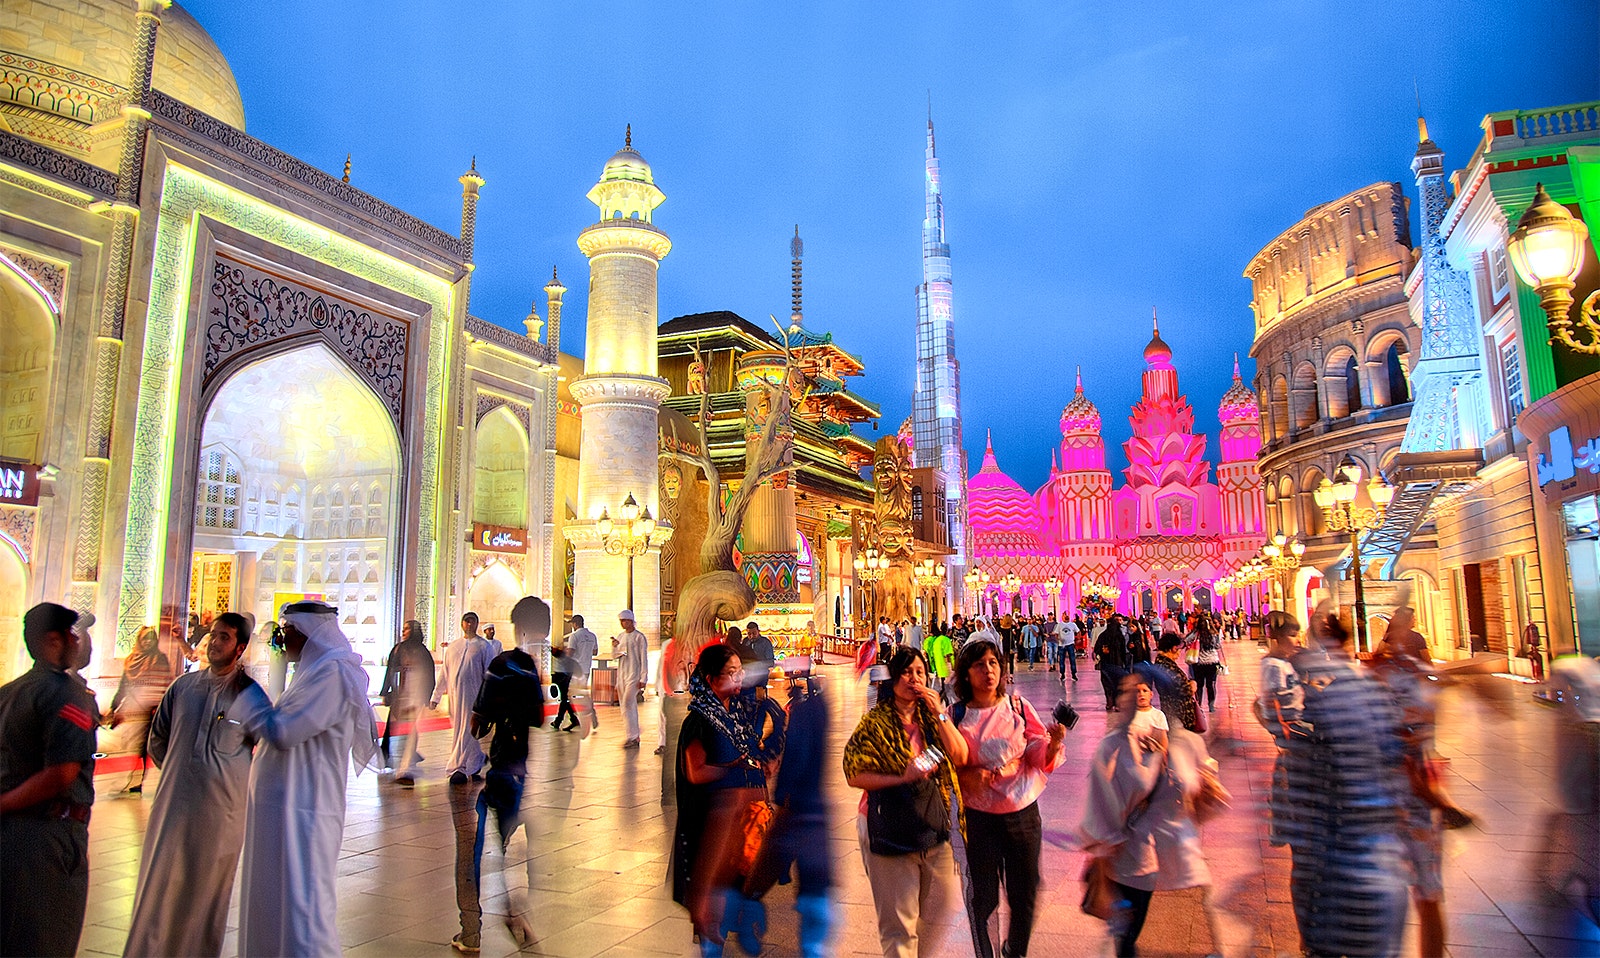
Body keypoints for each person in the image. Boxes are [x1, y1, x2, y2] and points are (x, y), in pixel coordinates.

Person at [231, 600, 379, 957]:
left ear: (310, 634)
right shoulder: (312, 672)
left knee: (303, 909)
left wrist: (247, 697)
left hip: (306, 807)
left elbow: (285, 732)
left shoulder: (333, 674)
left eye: (290, 631)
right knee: (273, 900)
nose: (284, 640)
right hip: (283, 806)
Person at [124, 612, 269, 958]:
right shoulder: (183, 687)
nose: (214, 643)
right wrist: (183, 774)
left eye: (224, 637)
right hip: (174, 806)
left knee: (204, 894)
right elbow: (158, 739)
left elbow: (268, 749)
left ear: (240, 647)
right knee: (160, 887)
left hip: (222, 814)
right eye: (213, 635)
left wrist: (223, 778)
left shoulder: (250, 696)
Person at [1286, 610, 1408, 958]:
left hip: (1340, 873)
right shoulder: (1374, 692)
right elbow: (1395, 761)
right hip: (1382, 869)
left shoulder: (1325, 698)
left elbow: (1307, 773)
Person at [1079, 673, 1228, 958]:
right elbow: (1101, 805)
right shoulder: (1112, 746)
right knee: (1134, 938)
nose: (1136, 697)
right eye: (1128, 691)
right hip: (1134, 862)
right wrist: (1103, 849)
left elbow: (1207, 802)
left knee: (1179, 938)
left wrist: (1206, 789)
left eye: (1143, 691)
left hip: (1181, 861)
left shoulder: (1186, 743)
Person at [844, 647, 969, 958]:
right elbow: (853, 773)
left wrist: (939, 710)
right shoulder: (875, 722)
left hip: (930, 823)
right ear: (894, 678)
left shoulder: (932, 719)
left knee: (942, 905)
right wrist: (903, 775)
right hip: (890, 826)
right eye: (906, 672)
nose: (914, 678)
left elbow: (960, 755)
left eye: (919, 672)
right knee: (899, 924)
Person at [950, 641, 1066, 958]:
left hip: (1022, 813)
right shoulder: (957, 715)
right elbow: (944, 764)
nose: (987, 670)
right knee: (984, 896)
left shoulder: (1017, 707)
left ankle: (1015, 949)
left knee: (1024, 892)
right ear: (966, 673)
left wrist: (1053, 745)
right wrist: (965, 777)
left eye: (992, 663)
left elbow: (1036, 753)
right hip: (979, 816)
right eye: (978, 665)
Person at [671, 644, 785, 956]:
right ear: (710, 679)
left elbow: (750, 749)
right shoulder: (699, 721)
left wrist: (760, 763)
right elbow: (695, 772)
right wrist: (735, 768)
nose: (739, 679)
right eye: (731, 673)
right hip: (711, 821)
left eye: (740, 672)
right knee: (715, 897)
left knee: (732, 889)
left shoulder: (733, 714)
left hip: (739, 822)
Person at [0, 602, 97, 957]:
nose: (78, 642)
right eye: (73, 635)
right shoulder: (66, 693)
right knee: (44, 938)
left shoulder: (9, 692)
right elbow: (62, 773)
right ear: (53, 641)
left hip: (11, 836)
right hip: (46, 837)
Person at [457, 596, 549, 952]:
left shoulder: (501, 664)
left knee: (475, 851)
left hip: (499, 769)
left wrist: (489, 716)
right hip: (522, 769)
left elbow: (478, 724)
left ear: (517, 626)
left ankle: (473, 931)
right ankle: (514, 906)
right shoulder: (529, 667)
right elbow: (539, 718)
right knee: (509, 842)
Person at [1253, 611, 1306, 851]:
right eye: (1292, 635)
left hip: (1296, 730)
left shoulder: (1285, 663)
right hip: (1292, 733)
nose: (1297, 640)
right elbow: (1271, 701)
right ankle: (1286, 827)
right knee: (1289, 785)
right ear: (1276, 639)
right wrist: (1282, 734)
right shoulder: (1273, 665)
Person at [432, 612, 498, 782]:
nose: (469, 625)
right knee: (460, 730)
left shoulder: (484, 647)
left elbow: (490, 674)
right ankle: (476, 760)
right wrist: (436, 696)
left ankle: (457, 768)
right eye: (467, 621)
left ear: (477, 624)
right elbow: (444, 673)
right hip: (455, 696)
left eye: (473, 622)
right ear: (462, 624)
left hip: (474, 695)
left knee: (466, 730)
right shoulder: (454, 646)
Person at [108, 624, 172, 792]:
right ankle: (139, 779)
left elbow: (164, 684)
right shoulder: (131, 660)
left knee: (147, 746)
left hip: (153, 711)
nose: (148, 642)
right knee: (139, 746)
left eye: (151, 639)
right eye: (145, 639)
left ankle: (140, 780)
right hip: (136, 711)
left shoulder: (159, 659)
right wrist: (114, 707)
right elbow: (124, 686)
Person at [379, 619, 435, 785]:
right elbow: (390, 671)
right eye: (403, 629)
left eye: (407, 629)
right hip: (399, 697)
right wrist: (386, 692)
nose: (404, 632)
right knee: (396, 731)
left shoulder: (423, 652)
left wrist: (427, 696)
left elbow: (429, 675)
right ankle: (394, 761)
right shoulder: (398, 649)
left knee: (409, 732)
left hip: (415, 697)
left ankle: (405, 768)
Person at [1146, 632, 1201, 733]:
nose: (1180, 653)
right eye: (1179, 649)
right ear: (1173, 648)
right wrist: (1192, 684)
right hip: (1178, 714)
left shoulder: (1161, 663)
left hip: (1171, 711)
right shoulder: (1167, 667)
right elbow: (1185, 690)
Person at [614, 610, 649, 749]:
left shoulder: (639, 637)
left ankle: (633, 736)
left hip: (634, 676)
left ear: (631, 621)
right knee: (624, 705)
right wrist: (615, 647)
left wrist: (643, 677)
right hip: (622, 674)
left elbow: (643, 658)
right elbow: (616, 656)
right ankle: (631, 735)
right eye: (621, 621)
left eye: (626, 621)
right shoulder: (621, 637)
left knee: (629, 703)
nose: (623, 623)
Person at [565, 614, 600, 732]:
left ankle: (577, 719)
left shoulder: (574, 636)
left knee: (570, 695)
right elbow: (595, 652)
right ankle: (588, 714)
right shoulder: (592, 636)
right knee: (581, 693)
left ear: (575, 624)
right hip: (586, 668)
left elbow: (570, 653)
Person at [1186, 616, 1226, 712]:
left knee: (1199, 685)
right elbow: (1217, 646)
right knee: (1211, 685)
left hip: (1198, 662)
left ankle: (1199, 705)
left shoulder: (1196, 634)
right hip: (1212, 662)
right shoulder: (1214, 634)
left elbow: (1187, 640)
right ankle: (1211, 706)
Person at [1094, 616, 1130, 711]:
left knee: (1107, 683)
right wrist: (1124, 662)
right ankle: (1118, 703)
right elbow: (1123, 651)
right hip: (1117, 664)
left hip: (1106, 664)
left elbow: (1096, 649)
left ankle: (1109, 701)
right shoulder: (1119, 636)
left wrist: (1102, 651)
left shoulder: (1103, 635)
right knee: (1118, 684)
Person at [924, 624, 955, 698]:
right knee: (949, 689)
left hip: (939, 666)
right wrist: (952, 667)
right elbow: (948, 654)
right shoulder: (946, 640)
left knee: (944, 687)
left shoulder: (936, 640)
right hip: (946, 667)